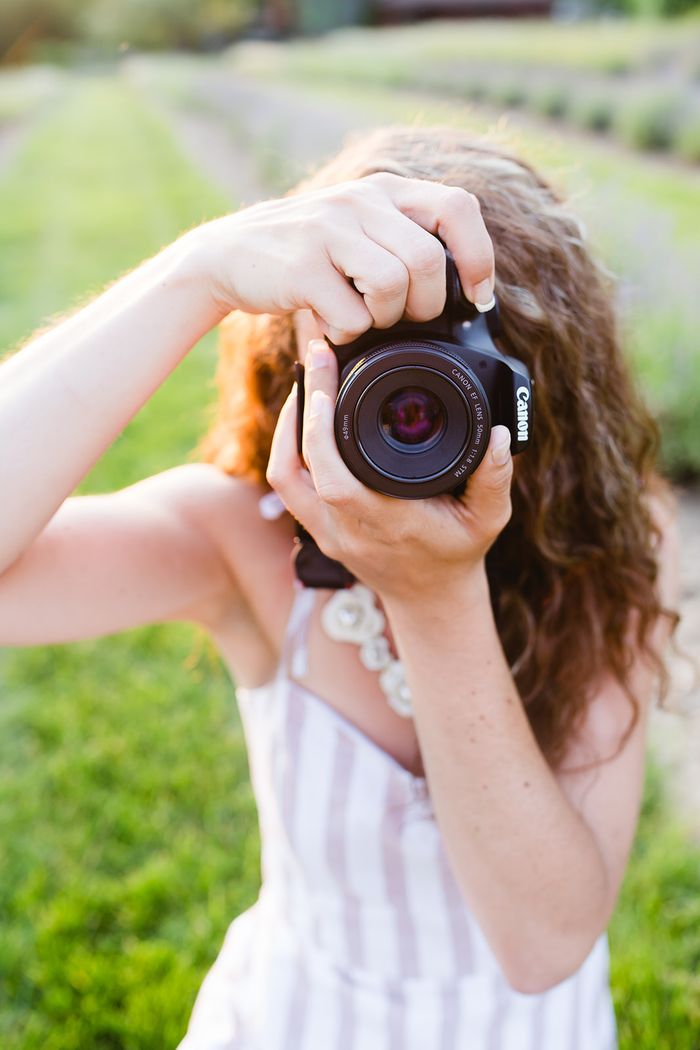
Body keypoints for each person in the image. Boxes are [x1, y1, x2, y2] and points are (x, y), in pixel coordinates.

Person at [0, 126, 679, 1049]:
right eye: (377, 369)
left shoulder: (602, 550)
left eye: (452, 377)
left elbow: (543, 944)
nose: (412, 410)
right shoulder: (246, 540)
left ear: (533, 396)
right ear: (298, 368)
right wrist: (197, 272)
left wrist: (436, 599)